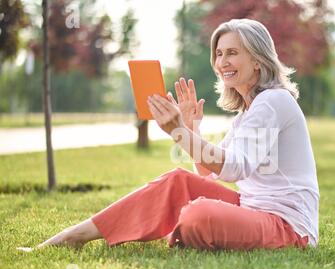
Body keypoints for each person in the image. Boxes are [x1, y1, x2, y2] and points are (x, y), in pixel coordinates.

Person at [20, 18, 319, 252]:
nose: (222, 62)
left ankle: (188, 229)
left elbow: (234, 168)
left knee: (198, 216)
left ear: (257, 60)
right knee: (177, 181)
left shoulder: (274, 101)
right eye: (218, 54)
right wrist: (191, 129)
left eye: (232, 53)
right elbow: (208, 175)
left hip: (288, 227)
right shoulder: (249, 112)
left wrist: (178, 132)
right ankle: (78, 234)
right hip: (253, 210)